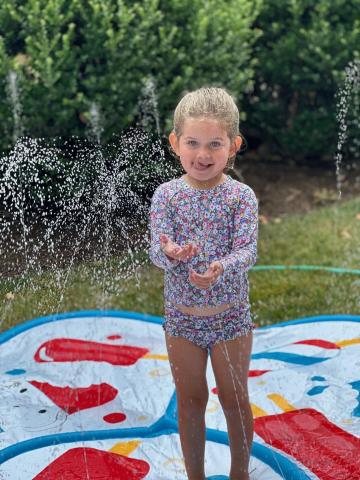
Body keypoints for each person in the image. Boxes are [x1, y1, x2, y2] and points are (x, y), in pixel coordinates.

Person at [148, 86, 258, 480]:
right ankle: (194, 476)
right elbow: (156, 252)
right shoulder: (167, 197)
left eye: (215, 144)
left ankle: (239, 474)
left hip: (230, 318)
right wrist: (171, 253)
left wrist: (219, 268)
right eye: (192, 142)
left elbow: (248, 251)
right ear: (175, 143)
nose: (203, 154)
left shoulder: (240, 197)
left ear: (233, 146)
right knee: (191, 400)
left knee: (233, 397)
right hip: (182, 321)